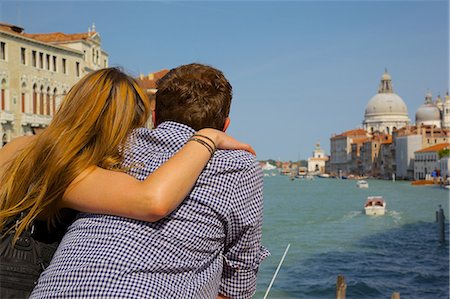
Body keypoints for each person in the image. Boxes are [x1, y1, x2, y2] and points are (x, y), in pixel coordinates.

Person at [0, 67, 254, 298]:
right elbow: (152, 200)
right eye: (134, 124)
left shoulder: (22, 148)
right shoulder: (64, 168)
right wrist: (207, 138)